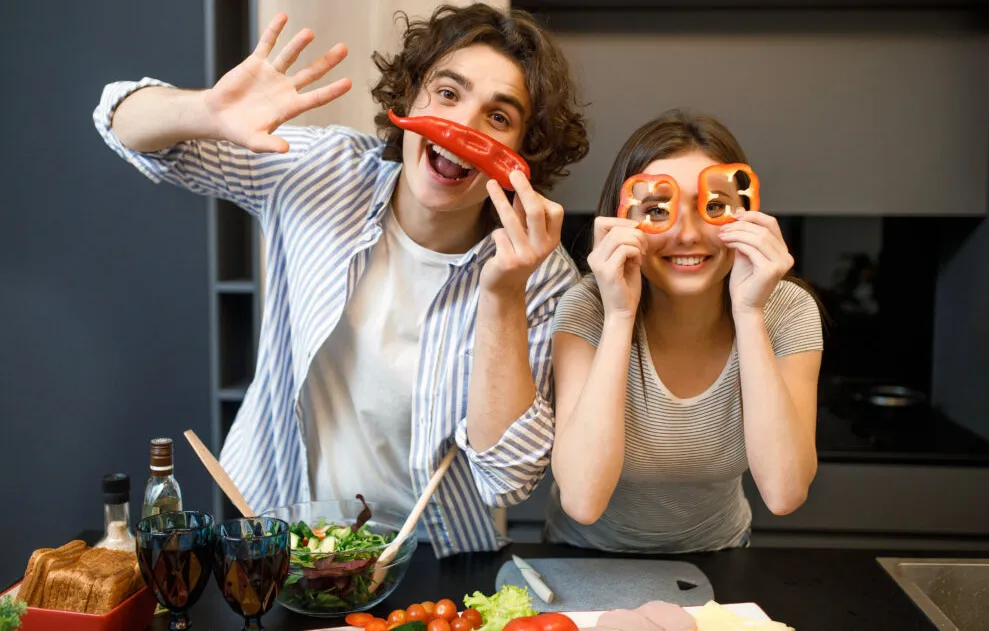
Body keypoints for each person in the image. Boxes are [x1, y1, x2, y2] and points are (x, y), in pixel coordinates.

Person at [92, 3, 588, 557]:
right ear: (409, 97)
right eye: (447, 94)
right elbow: (119, 121)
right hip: (279, 526)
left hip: (433, 551)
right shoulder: (324, 169)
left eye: (498, 117)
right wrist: (206, 110)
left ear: (523, 155)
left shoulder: (541, 278)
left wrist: (502, 294)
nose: (461, 127)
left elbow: (509, 479)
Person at [543, 109, 823, 553]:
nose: (689, 234)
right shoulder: (588, 308)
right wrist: (619, 315)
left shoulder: (786, 311)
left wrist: (749, 312)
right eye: (658, 210)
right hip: (586, 558)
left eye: (714, 207)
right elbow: (582, 499)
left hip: (720, 556)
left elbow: (785, 493)